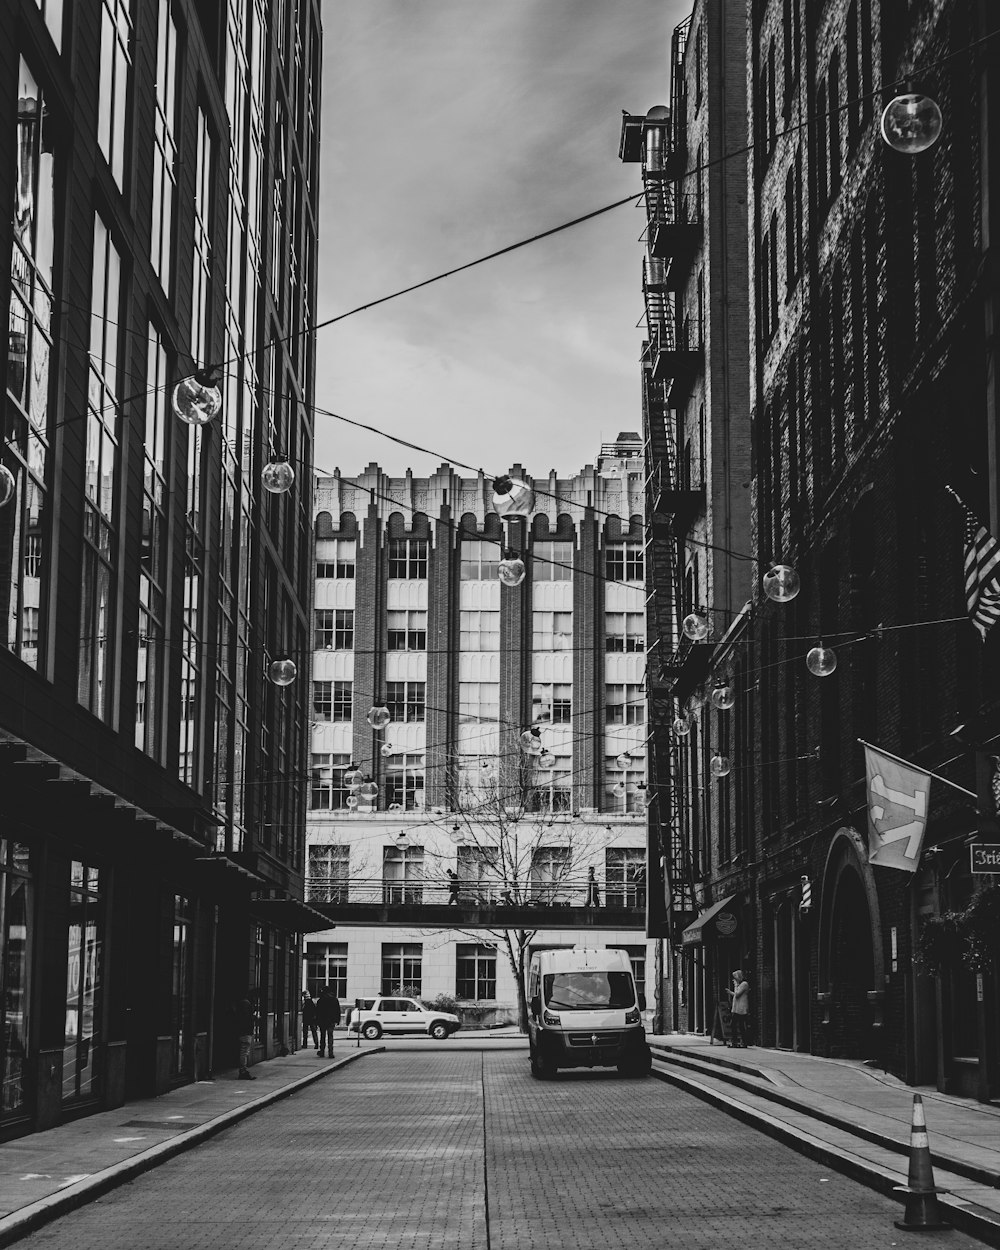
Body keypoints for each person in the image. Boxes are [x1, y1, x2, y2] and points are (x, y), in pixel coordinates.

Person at [315, 985, 341, 1057]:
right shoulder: (334, 999)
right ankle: (330, 1052)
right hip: (331, 1021)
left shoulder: (320, 1000)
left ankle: (322, 1051)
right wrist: (337, 1020)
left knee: (322, 1036)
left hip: (322, 1021)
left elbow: (318, 1012)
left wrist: (317, 1021)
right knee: (330, 1036)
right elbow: (337, 1011)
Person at [727, 970, 751, 1047]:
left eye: (736, 977)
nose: (735, 980)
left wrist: (735, 985)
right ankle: (741, 1042)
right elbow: (736, 995)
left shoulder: (744, 984)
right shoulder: (741, 985)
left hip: (741, 1009)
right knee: (739, 1026)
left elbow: (737, 995)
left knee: (736, 1025)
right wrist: (730, 992)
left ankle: (738, 1042)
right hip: (737, 1008)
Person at [236, 993, 257, 1079]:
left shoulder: (243, 1004)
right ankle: (243, 1071)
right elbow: (247, 1019)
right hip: (245, 1032)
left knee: (244, 1051)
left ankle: (243, 1070)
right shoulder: (246, 1004)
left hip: (244, 1032)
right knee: (244, 1052)